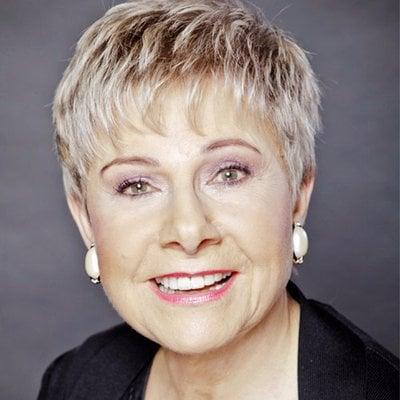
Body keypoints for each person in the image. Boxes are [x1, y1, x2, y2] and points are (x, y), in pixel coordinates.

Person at [37, 0, 399, 399]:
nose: (189, 231)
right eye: (137, 185)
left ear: (298, 194)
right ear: (85, 218)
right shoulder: (75, 382)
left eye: (229, 174)